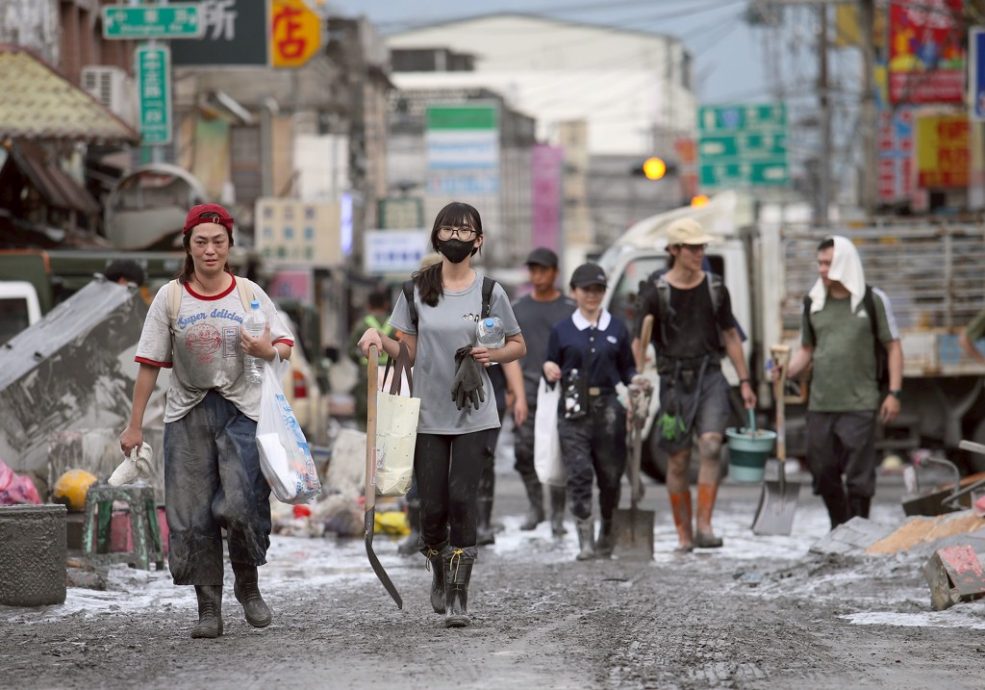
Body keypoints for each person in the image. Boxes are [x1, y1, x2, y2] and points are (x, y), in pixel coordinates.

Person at [119, 203, 294, 639]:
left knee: (238, 504)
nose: (210, 249)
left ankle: (248, 585)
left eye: (218, 241)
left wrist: (266, 351)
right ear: (188, 246)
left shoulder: (250, 293)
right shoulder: (170, 297)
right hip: (187, 413)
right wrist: (134, 424)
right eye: (201, 242)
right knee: (191, 514)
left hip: (242, 411)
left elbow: (285, 346)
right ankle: (208, 609)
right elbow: (148, 364)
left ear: (230, 245)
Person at [358, 201, 525, 628]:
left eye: (464, 231)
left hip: (474, 412)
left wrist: (493, 353)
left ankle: (458, 592)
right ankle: (436, 563)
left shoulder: (490, 292)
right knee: (431, 505)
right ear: (436, 237)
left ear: (478, 240)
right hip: (427, 414)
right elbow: (407, 353)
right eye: (448, 230)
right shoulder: (416, 290)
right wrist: (381, 339)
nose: (456, 237)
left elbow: (517, 346)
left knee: (463, 497)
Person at [633, 218, 756, 553]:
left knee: (713, 445)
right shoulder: (656, 291)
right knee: (677, 459)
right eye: (692, 247)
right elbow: (639, 341)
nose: (699, 253)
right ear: (674, 250)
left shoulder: (716, 288)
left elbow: (730, 335)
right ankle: (683, 533)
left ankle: (705, 524)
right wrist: (639, 377)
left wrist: (744, 381)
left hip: (711, 375)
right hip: (673, 380)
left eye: (702, 246)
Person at [781, 236, 902, 528]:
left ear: (844, 263)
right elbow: (806, 350)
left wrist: (894, 392)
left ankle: (859, 530)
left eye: (828, 263)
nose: (822, 269)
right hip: (821, 403)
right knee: (821, 470)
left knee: (859, 476)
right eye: (820, 262)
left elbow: (893, 346)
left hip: (860, 401)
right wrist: (784, 371)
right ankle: (839, 525)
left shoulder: (872, 300)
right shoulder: (813, 302)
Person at [543, 263, 639, 560]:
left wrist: (637, 383)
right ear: (574, 292)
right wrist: (549, 368)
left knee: (610, 476)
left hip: (610, 408)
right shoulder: (562, 330)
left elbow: (628, 368)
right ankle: (584, 538)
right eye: (586, 290)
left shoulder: (617, 327)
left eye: (598, 290)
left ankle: (607, 532)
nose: (592, 295)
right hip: (572, 408)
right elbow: (549, 363)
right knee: (580, 472)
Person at [511, 247, 575, 536]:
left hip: (562, 391)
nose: (538, 276)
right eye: (533, 270)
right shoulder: (518, 309)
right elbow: (508, 352)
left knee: (559, 453)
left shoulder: (569, 310)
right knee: (524, 451)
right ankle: (535, 507)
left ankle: (558, 515)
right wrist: (514, 393)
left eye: (543, 270)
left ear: (555, 273)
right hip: (528, 391)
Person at [349, 289, 394, 430]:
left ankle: (367, 446)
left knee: (365, 413)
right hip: (392, 375)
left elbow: (351, 350)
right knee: (390, 413)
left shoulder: (361, 325)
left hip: (367, 375)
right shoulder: (395, 323)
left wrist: (362, 362)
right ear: (386, 305)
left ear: (368, 305)